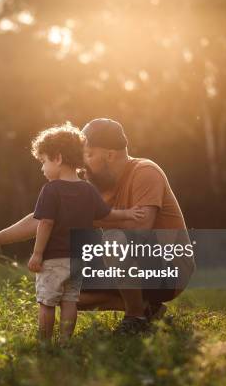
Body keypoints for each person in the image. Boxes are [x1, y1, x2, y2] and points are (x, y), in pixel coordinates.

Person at [0, 118, 195, 334]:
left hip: (169, 269)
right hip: (129, 266)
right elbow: (43, 217)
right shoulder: (94, 187)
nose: (82, 165)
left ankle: (135, 318)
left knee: (113, 240)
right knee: (65, 291)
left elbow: (142, 227)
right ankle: (147, 309)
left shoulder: (145, 172)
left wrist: (81, 216)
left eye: (89, 155)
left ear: (110, 155)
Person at [28, 123, 145, 343]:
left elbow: (45, 223)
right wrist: (129, 214)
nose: (42, 168)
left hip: (53, 259)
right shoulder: (88, 189)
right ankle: (65, 341)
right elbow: (107, 214)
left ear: (58, 158)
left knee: (47, 302)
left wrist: (37, 253)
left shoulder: (50, 190)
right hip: (77, 260)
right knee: (70, 301)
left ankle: (44, 343)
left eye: (44, 161)